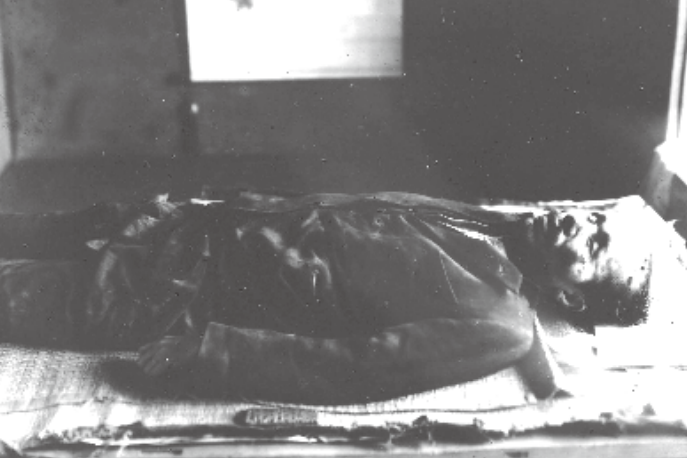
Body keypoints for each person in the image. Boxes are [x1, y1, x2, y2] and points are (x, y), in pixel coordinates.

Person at [0, 190, 653, 404]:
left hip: (170, 292)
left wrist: (207, 353)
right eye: (595, 218)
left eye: (594, 245)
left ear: (571, 298)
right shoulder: (486, 223)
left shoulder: (500, 322)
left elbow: (354, 367)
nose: (578, 221)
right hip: (177, 224)